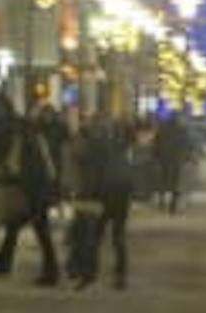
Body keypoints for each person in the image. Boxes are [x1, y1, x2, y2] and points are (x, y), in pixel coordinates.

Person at [0, 97, 64, 284]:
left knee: (40, 229)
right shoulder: (36, 135)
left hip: (34, 189)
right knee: (15, 225)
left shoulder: (23, 137)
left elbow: (15, 165)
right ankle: (3, 262)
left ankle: (51, 271)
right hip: (39, 187)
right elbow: (47, 163)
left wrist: (7, 177)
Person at [71, 115, 137, 290]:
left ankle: (90, 274)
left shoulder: (97, 148)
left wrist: (88, 194)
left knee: (95, 237)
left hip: (105, 195)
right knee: (117, 236)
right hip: (121, 193)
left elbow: (90, 170)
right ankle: (120, 275)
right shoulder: (121, 147)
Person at [153, 114, 195, 212]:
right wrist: (187, 157)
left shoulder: (163, 129)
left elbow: (157, 143)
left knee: (164, 180)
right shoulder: (183, 131)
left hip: (165, 158)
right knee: (176, 181)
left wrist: (156, 155)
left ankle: (162, 201)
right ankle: (173, 203)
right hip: (177, 159)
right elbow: (188, 145)